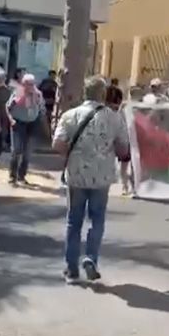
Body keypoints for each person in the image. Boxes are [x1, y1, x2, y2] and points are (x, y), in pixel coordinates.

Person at [54, 76, 129, 283]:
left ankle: (71, 269)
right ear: (103, 94)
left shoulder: (70, 115)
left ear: (84, 93)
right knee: (97, 220)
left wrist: (75, 154)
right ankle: (90, 259)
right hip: (101, 177)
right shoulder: (115, 118)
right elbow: (123, 150)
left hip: (76, 176)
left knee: (73, 221)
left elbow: (57, 144)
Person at [7, 74, 49, 186]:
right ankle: (13, 176)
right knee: (16, 150)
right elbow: (8, 107)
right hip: (18, 123)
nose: (29, 86)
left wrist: (44, 125)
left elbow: (42, 110)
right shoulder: (18, 93)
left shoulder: (38, 95)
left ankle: (22, 176)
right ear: (23, 84)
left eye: (31, 84)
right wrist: (11, 120)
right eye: (27, 84)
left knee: (27, 152)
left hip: (32, 124)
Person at [120, 86, 144, 196]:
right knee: (124, 164)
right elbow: (120, 120)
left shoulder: (142, 107)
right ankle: (125, 186)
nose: (139, 96)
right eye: (137, 94)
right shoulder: (125, 106)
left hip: (137, 140)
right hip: (126, 139)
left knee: (136, 163)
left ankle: (135, 187)